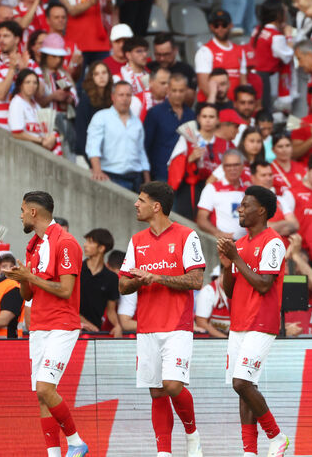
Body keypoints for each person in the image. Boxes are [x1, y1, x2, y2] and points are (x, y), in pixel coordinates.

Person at [118, 181, 205, 457]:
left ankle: (192, 435)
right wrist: (139, 280)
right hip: (147, 326)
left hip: (177, 325)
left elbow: (197, 279)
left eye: (141, 200)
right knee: (156, 392)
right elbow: (123, 285)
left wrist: (158, 277)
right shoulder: (137, 241)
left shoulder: (186, 235)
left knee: (172, 385)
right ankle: (164, 453)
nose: (136, 204)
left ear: (156, 206)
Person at [2, 191, 88, 457]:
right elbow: (28, 295)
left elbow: (65, 290)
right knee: (42, 396)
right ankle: (53, 454)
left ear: (33, 212)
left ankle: (76, 442)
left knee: (45, 388)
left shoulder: (66, 242)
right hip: (39, 326)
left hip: (62, 324)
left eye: (22, 209)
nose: (20, 215)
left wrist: (31, 277)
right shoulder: (34, 245)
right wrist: (23, 279)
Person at [216, 186, 290, 457]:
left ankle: (277, 436)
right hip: (238, 323)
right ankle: (250, 452)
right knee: (245, 388)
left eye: (245, 205)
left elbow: (263, 284)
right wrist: (227, 265)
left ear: (261, 210)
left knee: (241, 383)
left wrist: (235, 258)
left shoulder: (273, 242)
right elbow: (231, 291)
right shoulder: (240, 244)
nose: (240, 209)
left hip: (261, 322)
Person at [86, 81, 151, 191]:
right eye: (121, 95)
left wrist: (147, 179)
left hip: (136, 177)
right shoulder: (101, 117)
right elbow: (93, 146)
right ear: (113, 97)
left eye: (128, 95)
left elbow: (141, 151)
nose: (125, 99)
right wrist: (97, 170)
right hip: (112, 175)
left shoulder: (137, 122)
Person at [0, 20, 40, 130]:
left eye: (6, 36)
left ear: (17, 39)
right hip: (1, 129)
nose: (1, 40)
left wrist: (25, 70)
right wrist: (12, 69)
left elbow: (41, 95)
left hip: (26, 131)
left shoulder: (30, 64)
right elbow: (0, 94)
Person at [144, 73, 196, 183]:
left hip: (184, 175)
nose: (177, 94)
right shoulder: (155, 113)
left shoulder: (191, 115)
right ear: (168, 90)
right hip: (161, 175)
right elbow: (145, 146)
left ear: (186, 91)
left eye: (181, 91)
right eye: (174, 90)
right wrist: (146, 177)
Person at [196, 9, 248, 101]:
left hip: (234, 107)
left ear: (231, 26)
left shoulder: (240, 51)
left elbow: (243, 82)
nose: (220, 29)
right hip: (212, 106)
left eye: (224, 25)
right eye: (216, 25)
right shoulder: (205, 51)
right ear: (211, 27)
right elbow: (203, 85)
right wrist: (221, 104)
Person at [197, 149, 250, 240]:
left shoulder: (249, 190)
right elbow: (201, 219)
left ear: (242, 166)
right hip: (223, 244)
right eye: (228, 165)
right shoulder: (212, 188)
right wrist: (217, 233)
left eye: (236, 165)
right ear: (223, 168)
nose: (232, 169)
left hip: (247, 245)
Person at [9, 68, 62, 155]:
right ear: (20, 85)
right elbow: (17, 133)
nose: (32, 86)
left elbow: (46, 127)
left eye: (35, 83)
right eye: (28, 82)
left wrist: (51, 137)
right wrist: (41, 140)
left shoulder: (35, 105)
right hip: (28, 151)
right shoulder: (17, 102)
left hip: (40, 148)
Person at [79, 228, 121, 336]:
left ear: (101, 248)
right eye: (86, 241)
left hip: (95, 333)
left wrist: (117, 326)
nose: (85, 245)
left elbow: (110, 311)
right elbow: (67, 305)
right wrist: (84, 322)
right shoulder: (76, 270)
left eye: (90, 242)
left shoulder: (111, 278)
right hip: (73, 330)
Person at [148, 34, 199, 105]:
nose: (162, 58)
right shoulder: (149, 68)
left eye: (166, 54)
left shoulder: (187, 70)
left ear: (175, 50)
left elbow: (190, 101)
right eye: (158, 54)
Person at [76, 61, 113, 156]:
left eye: (104, 73)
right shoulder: (85, 100)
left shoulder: (113, 98)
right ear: (91, 77)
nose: (101, 77)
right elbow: (81, 131)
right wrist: (89, 158)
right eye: (96, 74)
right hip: (88, 152)